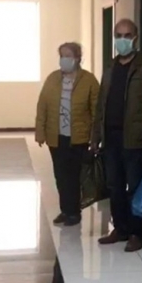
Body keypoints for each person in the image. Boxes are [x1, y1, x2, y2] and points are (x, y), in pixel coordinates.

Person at [91, 18, 142, 252]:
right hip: (110, 138)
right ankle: (120, 228)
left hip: (135, 138)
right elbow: (101, 105)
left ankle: (136, 232)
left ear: (135, 38)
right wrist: (95, 135)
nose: (122, 40)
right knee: (114, 186)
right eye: (119, 36)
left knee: (134, 187)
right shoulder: (110, 69)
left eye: (127, 35)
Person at [35, 42, 99, 226]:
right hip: (56, 136)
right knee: (61, 175)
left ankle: (74, 212)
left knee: (74, 175)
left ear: (77, 58)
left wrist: (95, 137)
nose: (64, 60)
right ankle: (65, 210)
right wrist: (40, 131)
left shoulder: (88, 80)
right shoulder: (53, 79)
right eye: (61, 56)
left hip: (78, 137)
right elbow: (43, 105)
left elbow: (96, 110)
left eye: (68, 56)